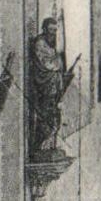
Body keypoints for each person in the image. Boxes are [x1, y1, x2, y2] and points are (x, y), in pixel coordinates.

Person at [28, 16, 79, 160]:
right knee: (46, 116)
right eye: (51, 30)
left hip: (53, 87)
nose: (53, 33)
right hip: (44, 87)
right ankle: (40, 147)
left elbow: (57, 64)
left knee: (55, 115)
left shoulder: (51, 44)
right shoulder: (40, 44)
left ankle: (50, 146)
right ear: (44, 30)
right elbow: (46, 64)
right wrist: (58, 63)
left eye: (55, 30)